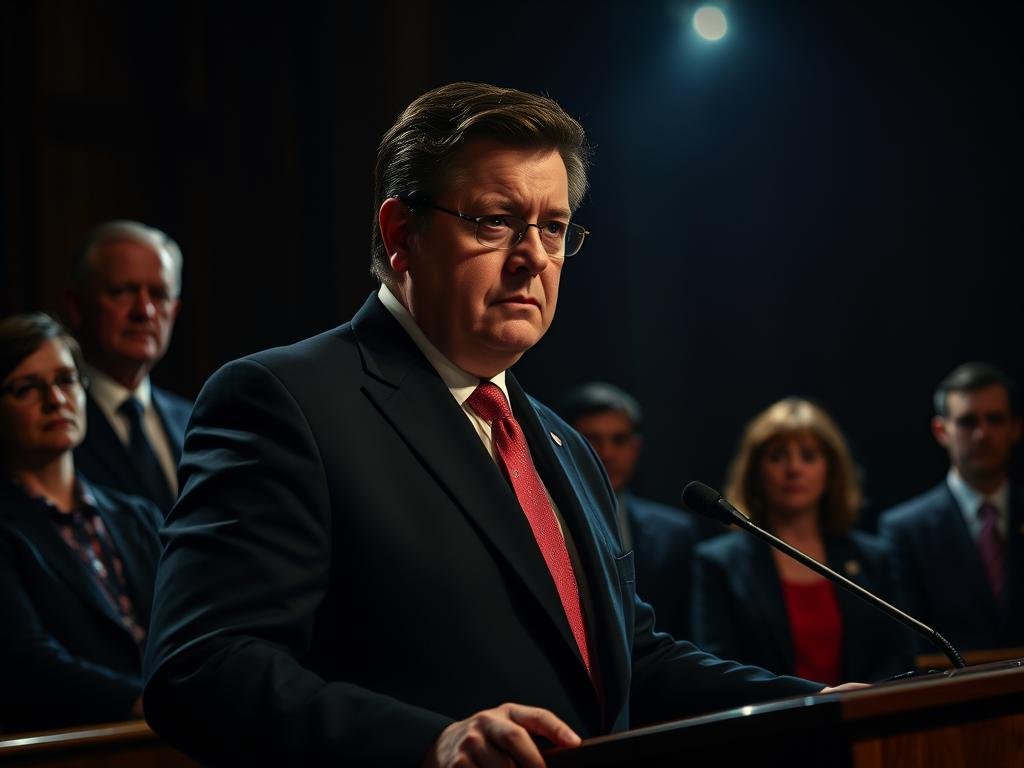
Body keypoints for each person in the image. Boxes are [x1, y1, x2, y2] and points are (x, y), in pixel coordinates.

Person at [142, 82, 854, 768]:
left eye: (553, 227)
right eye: (494, 220)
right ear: (400, 233)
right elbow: (200, 669)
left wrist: (817, 707)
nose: (533, 257)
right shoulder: (285, 400)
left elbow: (629, 660)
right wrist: (429, 744)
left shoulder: (560, 443)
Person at [0, 312, 163, 732]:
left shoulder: (138, 516)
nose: (55, 399)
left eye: (66, 380)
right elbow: (27, 659)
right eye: (26, 389)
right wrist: (142, 700)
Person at [692, 397, 914, 685]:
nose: (794, 469)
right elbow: (720, 666)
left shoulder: (873, 557)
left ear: (830, 472)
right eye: (777, 457)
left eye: (808, 456)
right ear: (756, 474)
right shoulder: (718, 564)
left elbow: (898, 654)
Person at [878, 362, 1023, 652]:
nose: (982, 434)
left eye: (995, 420)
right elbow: (909, 645)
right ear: (941, 430)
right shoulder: (905, 530)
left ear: (1015, 428)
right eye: (968, 422)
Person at [557, 381, 707, 639]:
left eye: (619, 440)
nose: (607, 453)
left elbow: (689, 630)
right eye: (592, 440)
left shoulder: (675, 533)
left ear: (635, 448)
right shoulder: (544, 520)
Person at [63, 219, 192, 514]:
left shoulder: (194, 420)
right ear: (75, 305)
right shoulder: (53, 420)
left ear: (174, 311)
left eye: (159, 295)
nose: (144, 311)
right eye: (123, 292)